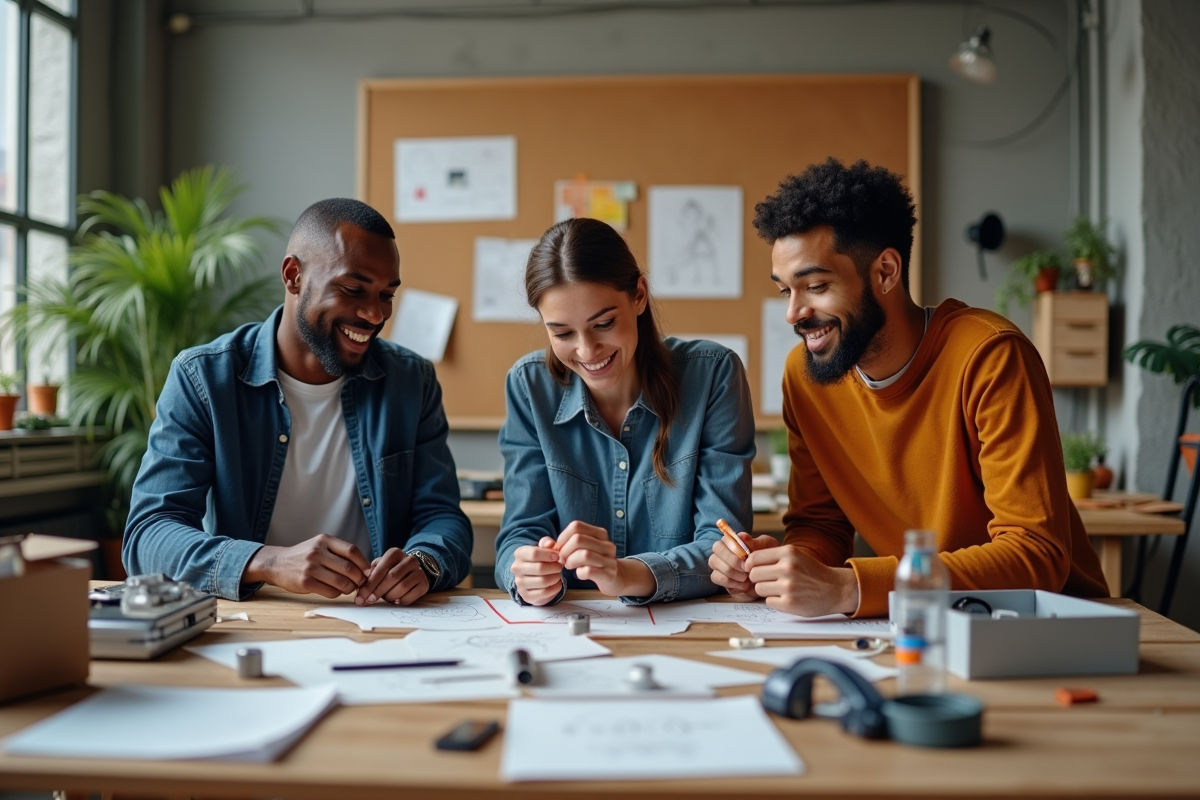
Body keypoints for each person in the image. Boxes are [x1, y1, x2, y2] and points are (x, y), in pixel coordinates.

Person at [710, 158, 1109, 619]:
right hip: (922, 619)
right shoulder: (806, 377)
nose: (793, 314)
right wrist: (781, 567)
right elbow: (821, 525)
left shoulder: (990, 357)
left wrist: (849, 588)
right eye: (786, 291)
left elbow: (1035, 553)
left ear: (885, 271)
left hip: (1046, 626)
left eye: (816, 286)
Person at [124, 198, 472, 604]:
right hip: (258, 616)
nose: (375, 315)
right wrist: (268, 562)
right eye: (353, 289)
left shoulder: (411, 380)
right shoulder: (204, 378)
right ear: (293, 276)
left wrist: (426, 560)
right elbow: (148, 535)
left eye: (386, 295)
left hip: (379, 618)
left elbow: (442, 516)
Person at [495, 218, 755, 606]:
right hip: (569, 625)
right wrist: (525, 574)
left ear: (639, 296)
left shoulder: (713, 374)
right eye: (562, 333)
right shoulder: (529, 385)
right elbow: (519, 533)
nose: (587, 351)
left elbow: (724, 548)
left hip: (686, 623)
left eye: (604, 323)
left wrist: (625, 574)